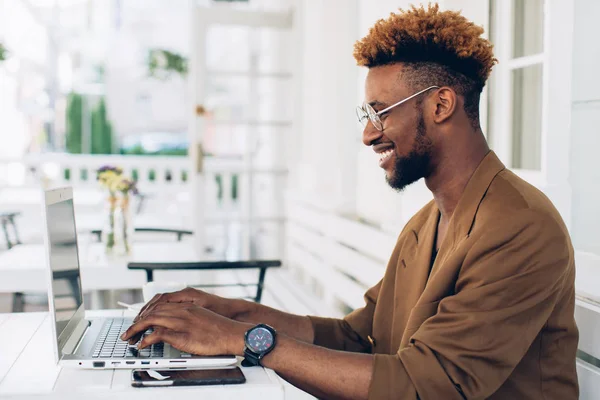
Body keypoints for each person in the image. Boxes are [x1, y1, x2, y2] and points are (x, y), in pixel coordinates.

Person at [122, 4, 578, 399]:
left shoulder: (519, 225)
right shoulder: (427, 223)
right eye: (366, 114)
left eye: (380, 111)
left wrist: (248, 340)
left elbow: (426, 387)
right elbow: (358, 337)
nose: (368, 133)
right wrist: (227, 312)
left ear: (441, 106)